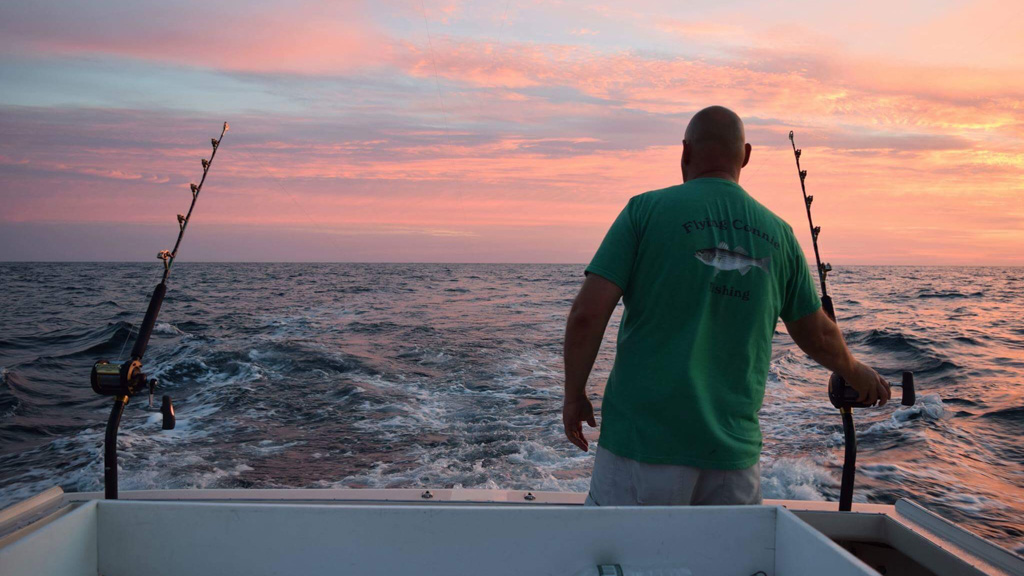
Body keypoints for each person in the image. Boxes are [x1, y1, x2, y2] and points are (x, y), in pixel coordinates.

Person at [562, 105, 891, 506]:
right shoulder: (780, 234)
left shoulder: (643, 211)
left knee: (625, 560)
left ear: (684, 152)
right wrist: (856, 372)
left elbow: (586, 316)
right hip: (733, 460)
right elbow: (817, 334)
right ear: (746, 155)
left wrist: (574, 394)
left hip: (642, 447)